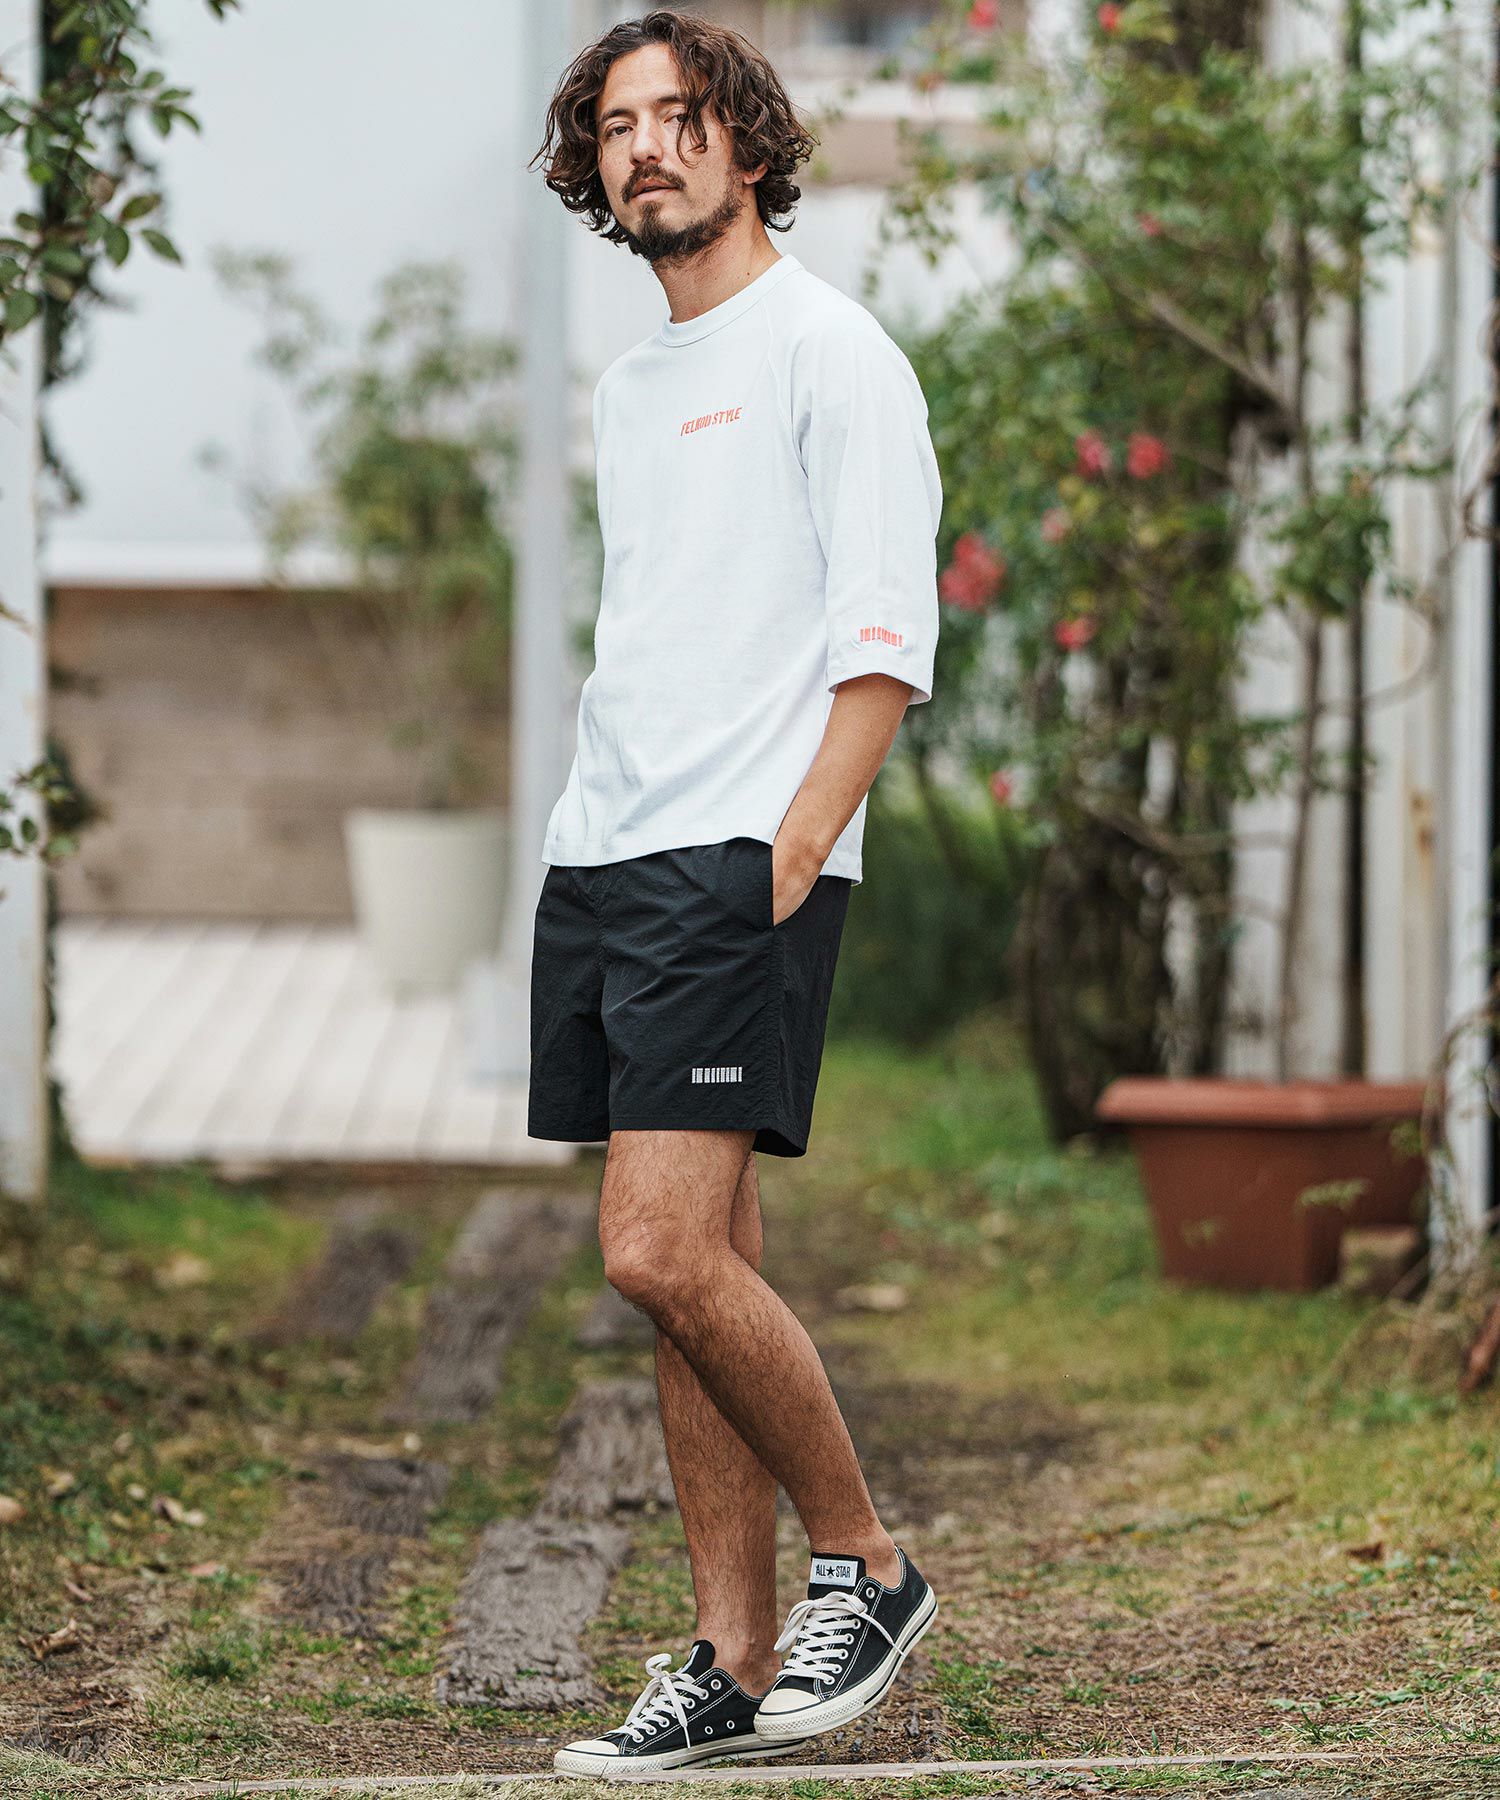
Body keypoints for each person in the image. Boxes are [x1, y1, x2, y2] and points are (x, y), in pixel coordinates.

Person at [526, 8, 943, 1776]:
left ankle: (873, 1565)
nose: (648, 146)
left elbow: (883, 645)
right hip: (610, 853)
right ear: (596, 173)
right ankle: (731, 1652)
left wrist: (785, 859)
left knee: (655, 1247)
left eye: (681, 115)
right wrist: (592, 841)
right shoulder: (633, 387)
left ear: (751, 144)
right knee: (698, 1264)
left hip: (734, 864)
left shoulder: (833, 353)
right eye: (617, 126)